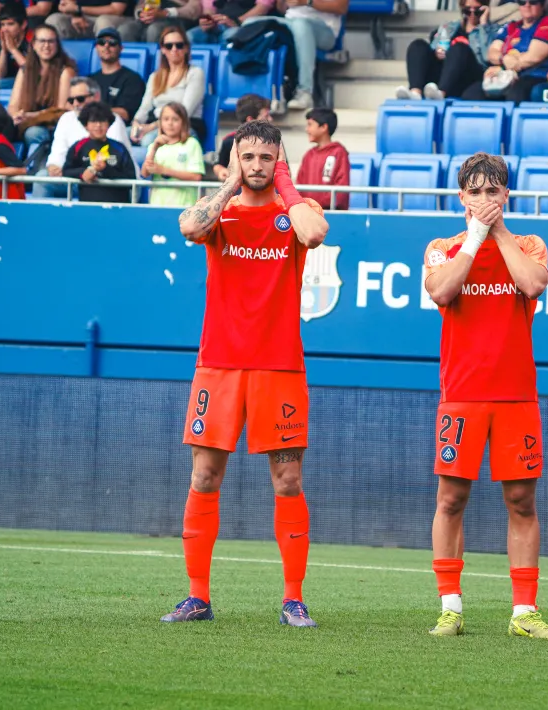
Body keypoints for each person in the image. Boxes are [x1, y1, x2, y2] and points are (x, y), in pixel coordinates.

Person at [162, 120, 330, 626]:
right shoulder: (221, 212)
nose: (257, 166)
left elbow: (315, 233)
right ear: (236, 157)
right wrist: (231, 183)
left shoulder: (297, 211)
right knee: (205, 475)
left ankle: (293, 599)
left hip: (279, 365)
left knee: (287, 479)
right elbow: (189, 227)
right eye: (249, 157)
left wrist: (285, 184)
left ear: (279, 160)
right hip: (218, 366)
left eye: (266, 158)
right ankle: (197, 597)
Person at [421, 153, 548, 640]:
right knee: (452, 497)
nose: (484, 200)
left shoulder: (529, 244)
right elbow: (441, 292)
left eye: (493, 191)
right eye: (475, 192)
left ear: (506, 195)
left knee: (521, 500)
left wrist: (496, 232)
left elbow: (533, 283)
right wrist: (475, 237)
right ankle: (450, 608)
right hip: (461, 394)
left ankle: (524, 613)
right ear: (461, 197)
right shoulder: (442, 247)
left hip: (516, 395)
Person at [36, 76, 133, 198]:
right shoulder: (66, 119)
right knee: (42, 178)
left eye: (80, 99)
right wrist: (54, 166)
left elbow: (116, 162)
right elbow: (58, 154)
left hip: (109, 182)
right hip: (77, 179)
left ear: (96, 96)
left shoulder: (112, 119)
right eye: (71, 100)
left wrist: (95, 170)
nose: (76, 104)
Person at [398, 0, 500, 101]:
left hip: (469, 77)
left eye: (477, 11)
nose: (472, 14)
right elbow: (432, 49)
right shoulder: (450, 27)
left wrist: (483, 25)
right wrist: (437, 52)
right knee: (418, 45)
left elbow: (487, 57)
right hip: (443, 74)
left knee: (459, 48)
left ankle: (441, 94)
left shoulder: (492, 31)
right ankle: (416, 93)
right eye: (468, 10)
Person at [460, 0, 548, 104]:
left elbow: (533, 57)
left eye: (533, 2)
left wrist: (507, 65)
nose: (527, 5)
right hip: (504, 76)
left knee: (517, 92)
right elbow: (492, 53)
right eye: (522, 2)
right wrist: (503, 59)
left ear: (542, 5)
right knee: (472, 93)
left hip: (534, 76)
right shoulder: (511, 26)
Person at [132, 26, 206, 149]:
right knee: (120, 135)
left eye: (179, 45)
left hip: (184, 126)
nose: (174, 49)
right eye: (169, 46)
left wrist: (151, 127)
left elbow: (184, 112)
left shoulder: (195, 73)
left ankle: (151, 168)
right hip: (156, 124)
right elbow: (144, 107)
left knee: (148, 141)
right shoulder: (155, 76)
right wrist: (136, 123)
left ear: (187, 48)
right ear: (162, 49)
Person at [7, 24, 79, 151]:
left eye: (51, 41)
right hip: (25, 122)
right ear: (33, 44)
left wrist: (31, 116)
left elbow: (60, 110)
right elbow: (13, 105)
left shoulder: (66, 72)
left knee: (34, 133)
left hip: (51, 125)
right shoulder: (25, 71)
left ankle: (37, 166)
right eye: (42, 41)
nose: (46, 45)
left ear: (57, 45)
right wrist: (16, 115)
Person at [274, 0, 349, 110]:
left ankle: (305, 91)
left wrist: (306, 2)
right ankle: (263, 95)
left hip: (324, 29)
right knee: (254, 23)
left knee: (301, 25)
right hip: (290, 22)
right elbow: (281, 8)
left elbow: (341, 7)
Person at [62, 101, 137, 202]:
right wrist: (84, 173)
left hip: (117, 208)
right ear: (85, 125)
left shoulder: (119, 148)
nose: (98, 125)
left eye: (102, 121)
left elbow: (131, 178)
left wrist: (105, 170)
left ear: (109, 124)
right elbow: (66, 171)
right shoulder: (78, 147)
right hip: (88, 206)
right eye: (93, 121)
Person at [141, 102, 204, 206]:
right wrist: (154, 148)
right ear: (160, 122)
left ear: (183, 123)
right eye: (166, 119)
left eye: (175, 119)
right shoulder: (154, 146)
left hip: (184, 206)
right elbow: (144, 173)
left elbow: (196, 177)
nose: (170, 123)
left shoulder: (192, 144)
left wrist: (164, 170)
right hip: (157, 205)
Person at [89, 27, 147, 124]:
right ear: (96, 47)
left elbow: (125, 114)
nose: (106, 46)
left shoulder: (132, 79)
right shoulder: (89, 80)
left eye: (112, 42)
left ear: (121, 48)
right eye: (101, 42)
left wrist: (91, 111)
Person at [295, 108, 349, 210]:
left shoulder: (338, 153)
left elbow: (341, 189)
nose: (307, 129)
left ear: (324, 127)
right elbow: (299, 185)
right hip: (307, 214)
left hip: (330, 215)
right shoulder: (308, 155)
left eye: (310, 125)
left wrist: (318, 205)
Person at [214, 93, 271, 181]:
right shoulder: (229, 141)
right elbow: (219, 165)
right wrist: (222, 171)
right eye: (266, 116)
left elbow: (286, 171)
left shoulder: (273, 142)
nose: (270, 119)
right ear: (250, 120)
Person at [186, 0, 273, 45]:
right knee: (188, 37)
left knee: (231, 35)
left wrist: (237, 21)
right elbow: (209, 9)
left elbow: (263, 7)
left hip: (245, 25)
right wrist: (207, 21)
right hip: (217, 25)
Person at [45, 0, 132, 40]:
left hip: (116, 18)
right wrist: (75, 15)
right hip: (82, 17)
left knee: (103, 21)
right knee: (54, 20)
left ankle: (103, 68)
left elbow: (116, 10)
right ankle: (61, 69)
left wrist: (79, 9)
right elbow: (64, 5)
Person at [0, 1, 31, 84]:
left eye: (10, 24)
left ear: (23, 24)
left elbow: (31, 72)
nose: (5, 29)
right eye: (2, 25)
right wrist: (3, 51)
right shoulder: (1, 39)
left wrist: (13, 49)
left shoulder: (33, 40)